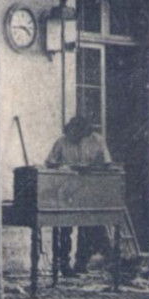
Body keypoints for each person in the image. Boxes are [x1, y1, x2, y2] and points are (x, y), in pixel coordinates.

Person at [46, 114, 114, 278]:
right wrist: (63, 167)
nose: (75, 137)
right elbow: (49, 163)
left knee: (88, 228)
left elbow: (107, 163)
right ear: (69, 130)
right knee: (65, 229)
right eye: (73, 132)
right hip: (67, 190)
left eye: (79, 133)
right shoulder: (61, 142)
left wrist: (91, 168)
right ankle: (63, 265)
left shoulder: (96, 140)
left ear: (86, 132)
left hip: (90, 188)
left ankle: (81, 263)